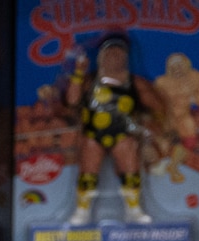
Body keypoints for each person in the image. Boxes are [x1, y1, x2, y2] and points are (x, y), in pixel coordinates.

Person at [65, 33, 163, 226]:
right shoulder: (88, 80)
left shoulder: (135, 82)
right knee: (88, 172)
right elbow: (72, 100)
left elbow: (156, 106)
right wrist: (77, 74)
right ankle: (82, 212)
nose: (114, 57)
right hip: (93, 134)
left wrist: (154, 126)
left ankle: (133, 210)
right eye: (109, 53)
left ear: (126, 57)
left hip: (123, 134)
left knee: (130, 170)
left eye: (118, 53)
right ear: (101, 56)